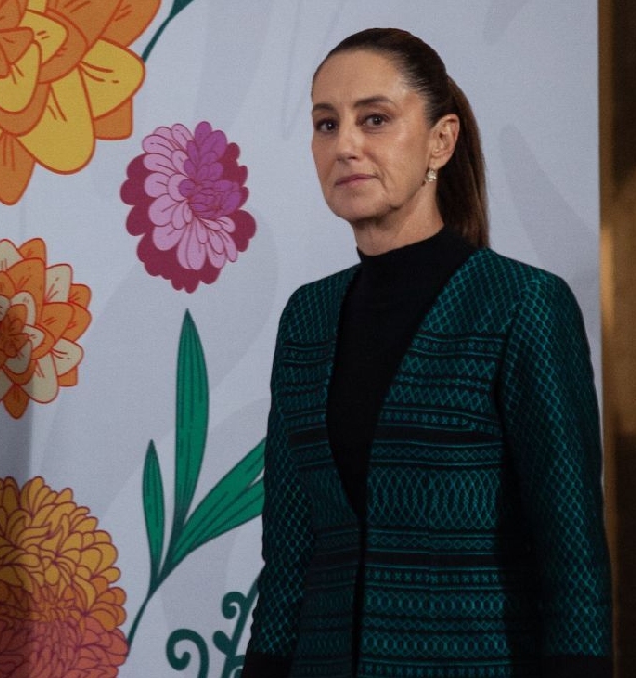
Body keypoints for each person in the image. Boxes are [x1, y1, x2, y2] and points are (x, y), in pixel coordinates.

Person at [242, 28, 613, 678]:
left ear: (440, 140)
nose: (346, 145)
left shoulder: (521, 306)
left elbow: (571, 550)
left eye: (375, 119)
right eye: (326, 124)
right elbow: (291, 556)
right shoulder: (308, 317)